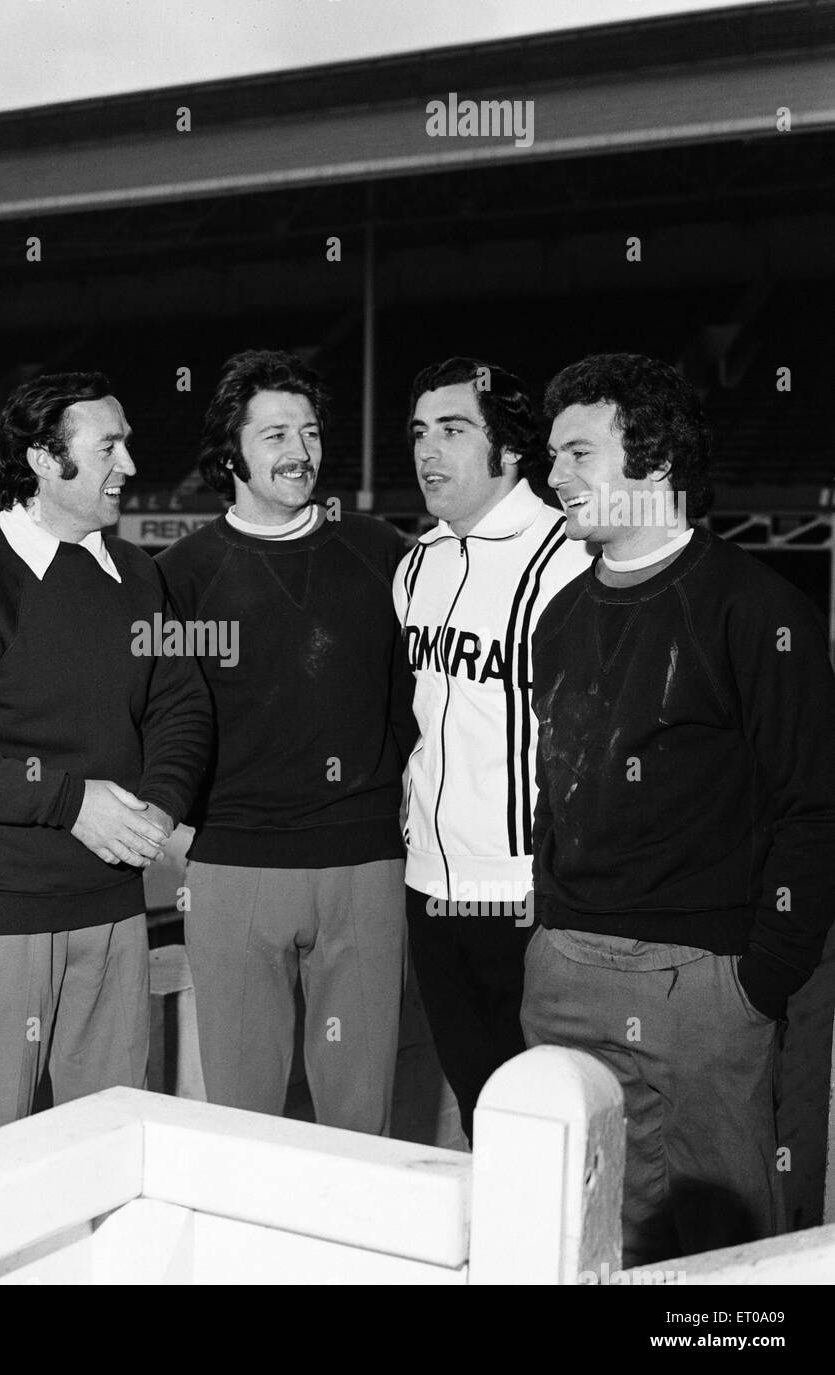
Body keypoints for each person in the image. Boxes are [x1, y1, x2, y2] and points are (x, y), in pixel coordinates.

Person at [526, 352, 835, 1265]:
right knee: (587, 1242)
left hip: (703, 987)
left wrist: (755, 984)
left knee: (725, 1261)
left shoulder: (758, 610)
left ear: (654, 462)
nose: (555, 477)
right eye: (552, 456)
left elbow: (814, 810)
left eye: (579, 454)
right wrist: (546, 934)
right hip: (562, 969)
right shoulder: (561, 618)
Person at [0, 372, 211, 1145]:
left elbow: (183, 704)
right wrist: (74, 803)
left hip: (113, 917)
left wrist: (158, 806)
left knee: (110, 1156)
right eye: (108, 446)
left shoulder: (140, 576)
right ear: (43, 459)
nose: (129, 465)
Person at [156, 348, 412, 1135]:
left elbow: (416, 698)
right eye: (273, 435)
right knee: (242, 1122)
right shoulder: (180, 575)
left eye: (308, 431)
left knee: (361, 1118)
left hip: (365, 863)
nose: (298, 452)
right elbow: (161, 714)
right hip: (235, 868)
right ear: (230, 450)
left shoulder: (381, 552)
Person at [394, 357, 592, 1143]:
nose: (426, 451)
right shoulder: (416, 563)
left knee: (547, 1128)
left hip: (524, 895)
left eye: (451, 430)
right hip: (428, 888)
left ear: (509, 449)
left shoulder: (569, 556)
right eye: (418, 433)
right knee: (482, 1116)